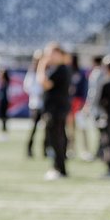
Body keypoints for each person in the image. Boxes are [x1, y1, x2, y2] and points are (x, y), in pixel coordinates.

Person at [36, 43, 72, 180]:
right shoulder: (60, 68)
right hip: (57, 108)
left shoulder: (61, 69)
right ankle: (59, 167)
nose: (48, 56)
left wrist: (41, 66)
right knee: (58, 138)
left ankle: (60, 168)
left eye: (50, 53)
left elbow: (44, 83)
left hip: (56, 109)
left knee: (56, 139)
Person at [23, 50, 45, 158]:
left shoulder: (46, 70)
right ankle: (29, 149)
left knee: (47, 129)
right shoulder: (32, 72)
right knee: (33, 128)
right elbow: (27, 86)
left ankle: (45, 149)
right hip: (36, 104)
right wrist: (38, 93)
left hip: (45, 103)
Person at [0, 66, 11, 137]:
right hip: (2, 102)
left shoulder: (5, 83)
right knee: (2, 117)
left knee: (3, 117)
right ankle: (3, 131)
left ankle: (4, 132)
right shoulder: (2, 83)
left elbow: (3, 94)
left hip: (4, 102)